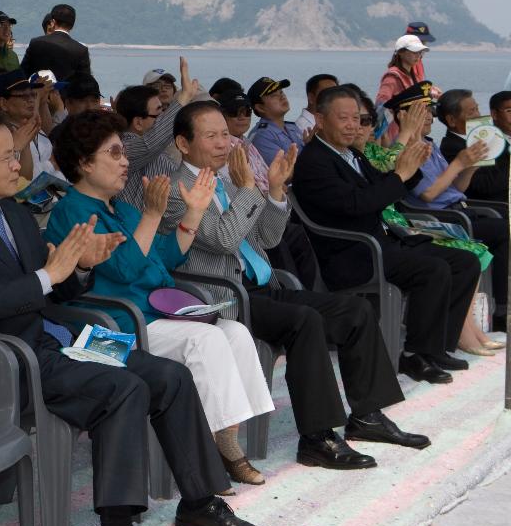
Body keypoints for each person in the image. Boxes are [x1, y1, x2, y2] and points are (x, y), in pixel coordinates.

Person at [0, 106, 268, 526]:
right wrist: (49, 274)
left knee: (168, 375)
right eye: (6, 158)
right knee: (121, 389)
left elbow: (57, 291)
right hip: (7, 362)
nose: (19, 165)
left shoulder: (13, 214)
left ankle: (200, 502)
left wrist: (79, 268)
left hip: (55, 340)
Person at [163, 102, 426, 473]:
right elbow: (222, 239)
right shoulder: (178, 189)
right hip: (224, 297)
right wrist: (248, 190)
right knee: (303, 321)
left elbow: (268, 240)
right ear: (184, 143)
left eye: (226, 134)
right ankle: (317, 439)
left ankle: (367, 416)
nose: (224, 143)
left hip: (261, 287)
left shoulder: (225, 180)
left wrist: (272, 192)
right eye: (211, 136)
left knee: (354, 311)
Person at [47, 110, 275, 481]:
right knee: (206, 340)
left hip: (153, 316)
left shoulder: (121, 208)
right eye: (115, 154)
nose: (125, 163)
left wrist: (193, 215)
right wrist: (153, 214)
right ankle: (215, 453)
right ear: (84, 164)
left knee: (235, 332)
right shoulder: (72, 211)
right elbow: (122, 269)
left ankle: (227, 437)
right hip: (115, 326)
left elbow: (164, 258)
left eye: (123, 154)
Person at [291, 85, 480, 382]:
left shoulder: (350, 154)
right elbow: (358, 204)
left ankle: (437, 347)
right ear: (320, 119)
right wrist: (400, 175)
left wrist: (412, 167)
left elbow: (382, 186)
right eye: (344, 118)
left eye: (357, 118)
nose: (353, 125)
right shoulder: (314, 162)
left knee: (465, 261)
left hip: (381, 243)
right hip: (352, 254)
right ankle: (414, 355)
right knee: (432, 269)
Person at [381, 83, 507, 314]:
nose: (430, 117)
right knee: (503, 230)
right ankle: (501, 306)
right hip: (440, 218)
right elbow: (428, 194)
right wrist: (458, 162)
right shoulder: (404, 150)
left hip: (459, 208)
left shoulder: (429, 144)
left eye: (430, 111)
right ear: (404, 116)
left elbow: (456, 187)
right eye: (423, 112)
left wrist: (470, 165)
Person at [114, 57, 199, 208]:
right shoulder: (124, 149)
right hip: (135, 227)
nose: (162, 119)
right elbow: (151, 141)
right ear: (138, 122)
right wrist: (184, 96)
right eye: (158, 114)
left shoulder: (156, 153)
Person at [438, 88, 508, 204]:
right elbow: (485, 186)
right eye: (471, 112)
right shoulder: (451, 148)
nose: (478, 115)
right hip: (495, 206)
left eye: (477, 109)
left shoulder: (486, 136)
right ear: (452, 120)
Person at [0, 70, 56, 181]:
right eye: (23, 96)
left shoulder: (34, 128)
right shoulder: (1, 137)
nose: (31, 100)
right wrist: (52, 164)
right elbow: (22, 181)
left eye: (33, 94)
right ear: (3, 103)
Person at [22, 4, 91, 80]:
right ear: (72, 26)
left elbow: (22, 73)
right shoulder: (81, 50)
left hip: (37, 91)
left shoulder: (36, 43)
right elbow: (85, 82)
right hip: (66, 92)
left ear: (53, 22)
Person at [246, 76, 306, 164]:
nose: (282, 97)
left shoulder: (292, 127)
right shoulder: (262, 136)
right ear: (260, 107)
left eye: (281, 92)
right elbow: (283, 173)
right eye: (273, 95)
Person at [375, 34, 435, 106]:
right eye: (414, 51)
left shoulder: (415, 76)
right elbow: (380, 106)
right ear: (400, 52)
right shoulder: (392, 78)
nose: (418, 55)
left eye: (420, 52)